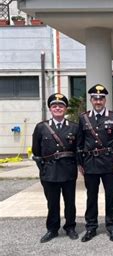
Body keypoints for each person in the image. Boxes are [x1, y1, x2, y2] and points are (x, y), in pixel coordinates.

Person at [77, 84, 113, 242]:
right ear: (91, 100)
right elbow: (79, 143)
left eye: (101, 98)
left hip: (109, 163)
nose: (98, 101)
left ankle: (111, 227)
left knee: (111, 196)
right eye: (95, 98)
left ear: (105, 100)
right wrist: (80, 163)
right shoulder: (84, 118)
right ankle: (91, 227)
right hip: (90, 163)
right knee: (91, 197)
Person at [32, 93, 79, 243]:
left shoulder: (74, 127)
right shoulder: (41, 127)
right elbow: (36, 150)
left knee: (70, 201)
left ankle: (70, 227)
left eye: (61, 106)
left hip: (68, 170)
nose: (57, 108)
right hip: (49, 171)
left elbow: (78, 149)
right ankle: (52, 229)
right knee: (52, 202)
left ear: (65, 109)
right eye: (54, 106)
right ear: (50, 109)